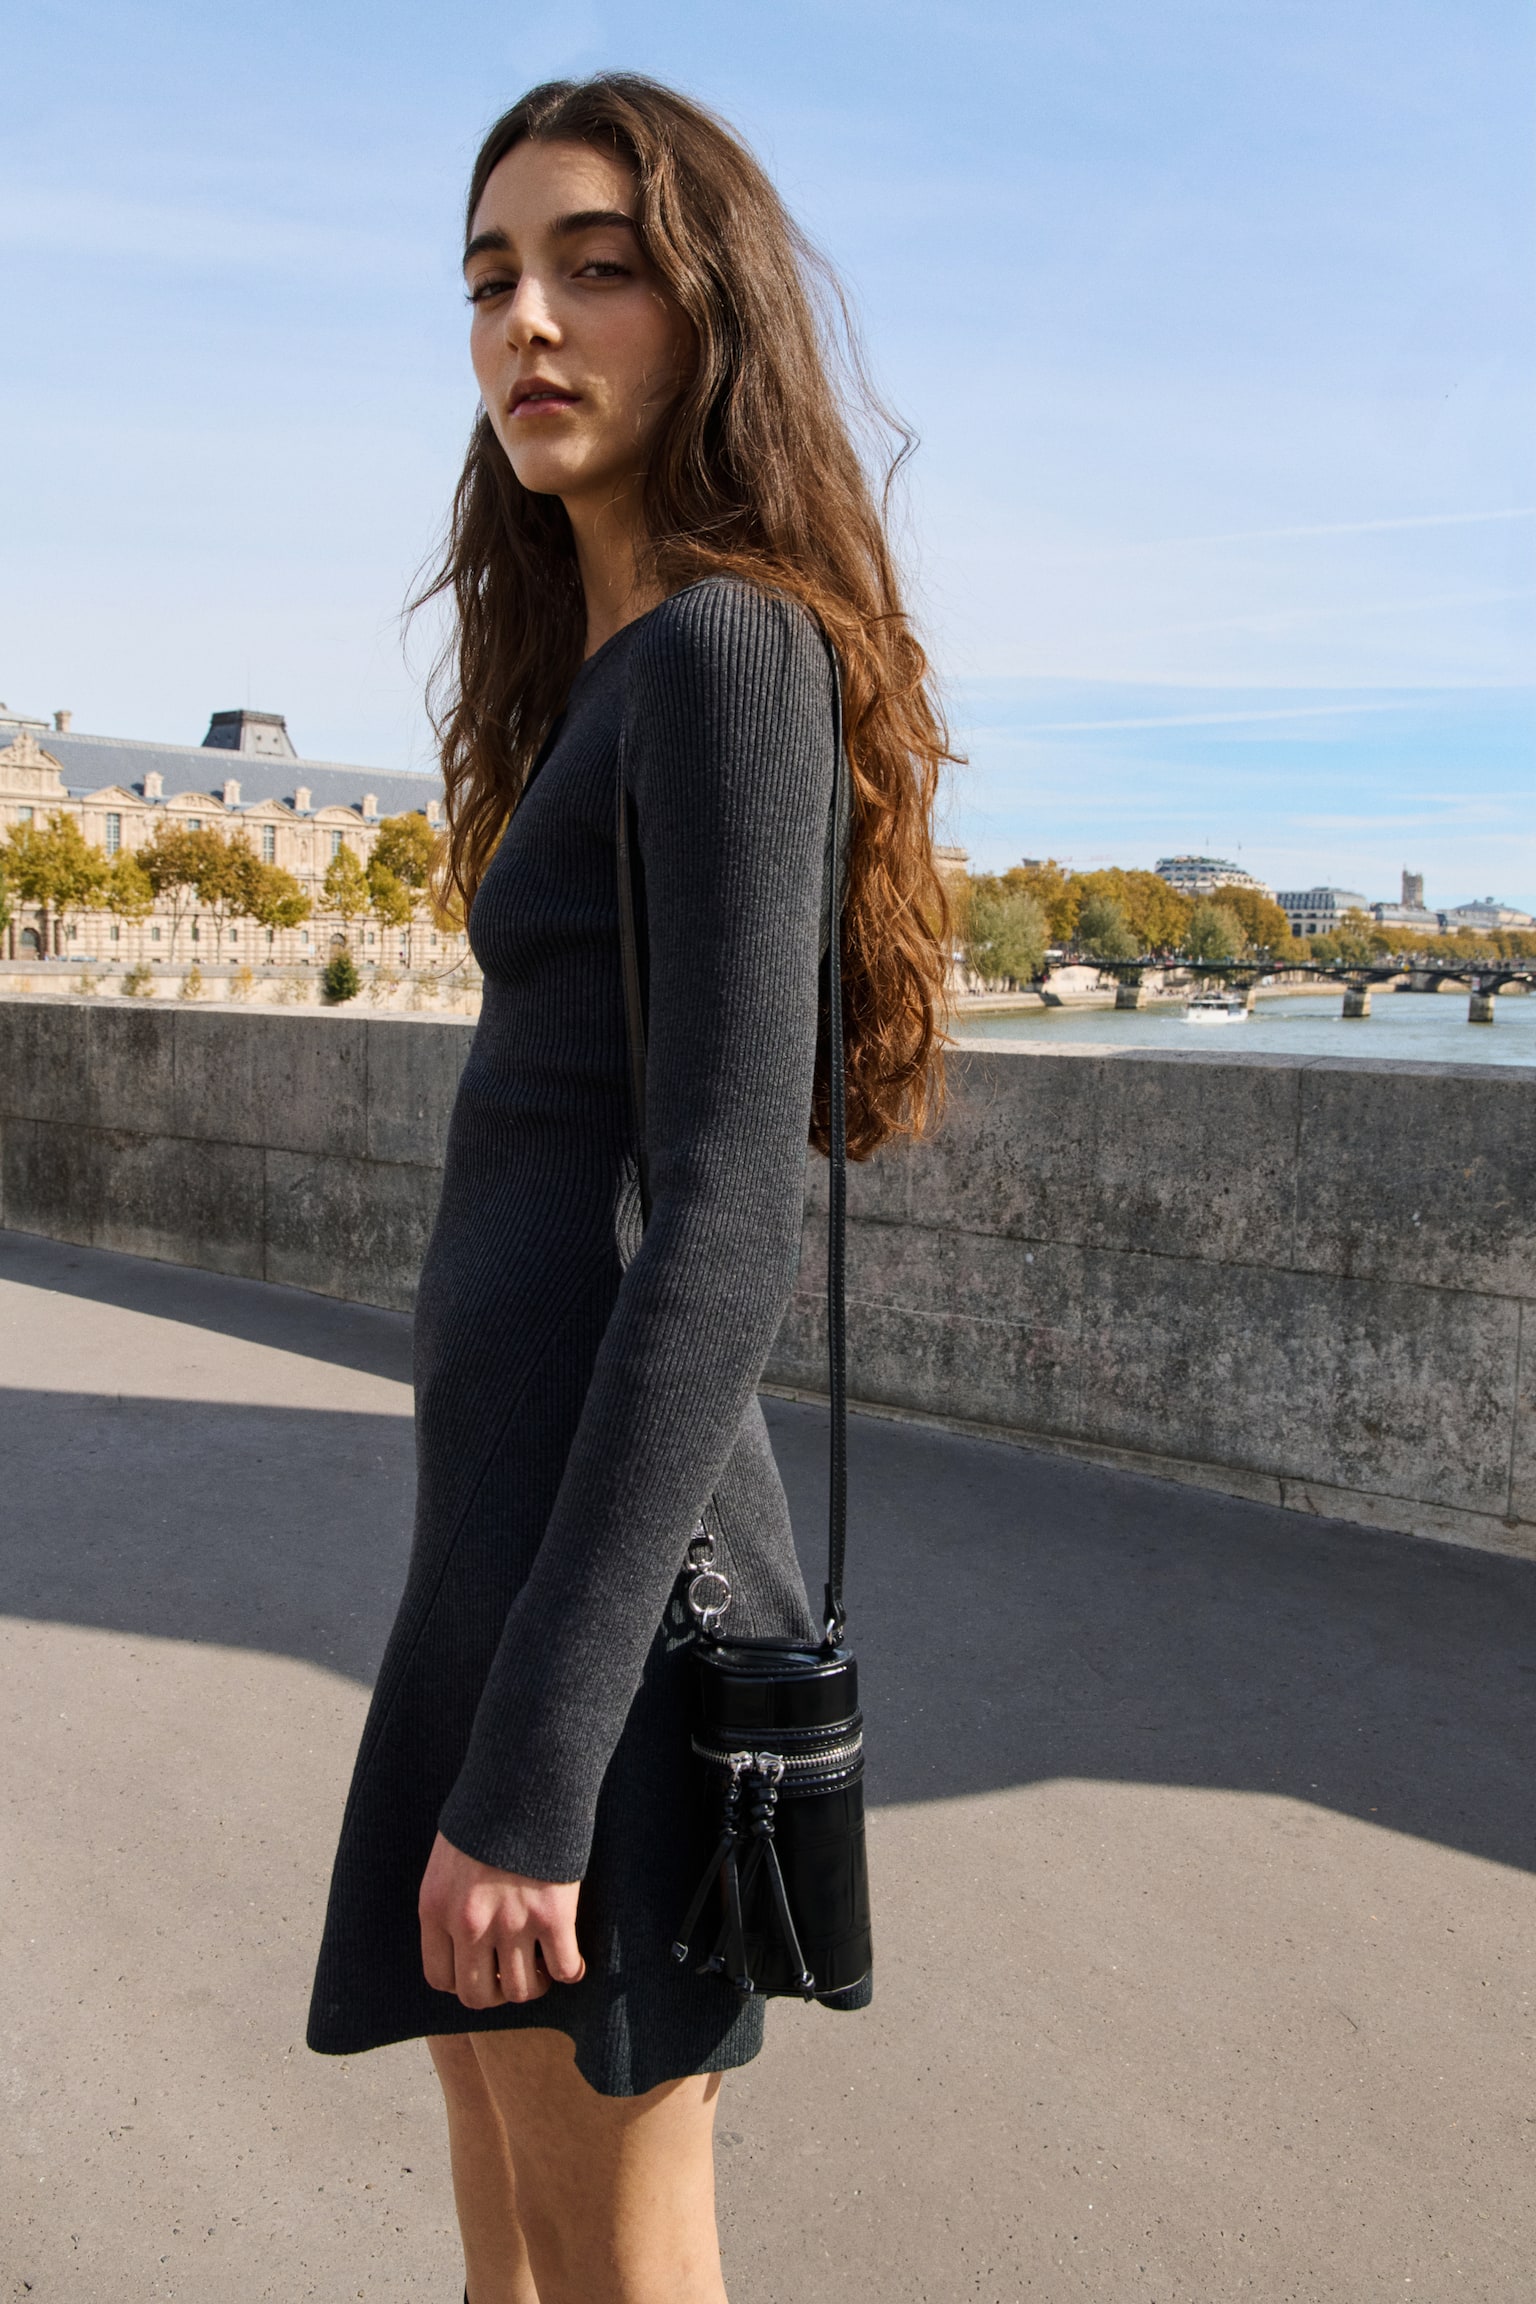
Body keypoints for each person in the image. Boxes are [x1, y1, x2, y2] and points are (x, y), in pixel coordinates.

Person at [306, 72, 952, 2304]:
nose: (530, 322)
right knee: (510, 2232)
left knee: (609, 2262)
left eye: (598, 269)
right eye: (492, 277)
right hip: (506, 1577)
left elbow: (726, 1222)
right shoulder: (609, 666)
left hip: (614, 1614)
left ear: (712, 315)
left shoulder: (728, 653)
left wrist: (543, 1756)